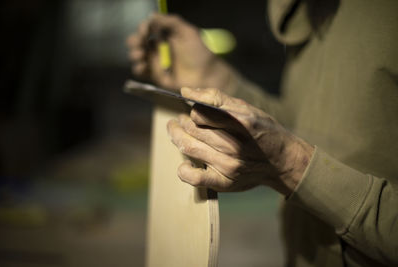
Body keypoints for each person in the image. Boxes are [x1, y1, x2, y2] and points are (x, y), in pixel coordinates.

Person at [127, 0, 398, 266]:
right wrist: (213, 78)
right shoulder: (316, 11)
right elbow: (311, 129)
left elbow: (296, 152)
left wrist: (290, 166)